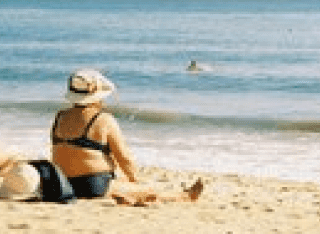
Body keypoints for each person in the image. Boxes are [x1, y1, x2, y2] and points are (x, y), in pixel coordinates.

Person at [48, 69, 203, 204]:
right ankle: (184, 197)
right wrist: (136, 180)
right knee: (147, 188)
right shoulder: (103, 119)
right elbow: (124, 157)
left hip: (64, 183)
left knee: (122, 184)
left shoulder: (60, 117)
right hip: (93, 184)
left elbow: (62, 150)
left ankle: (127, 195)